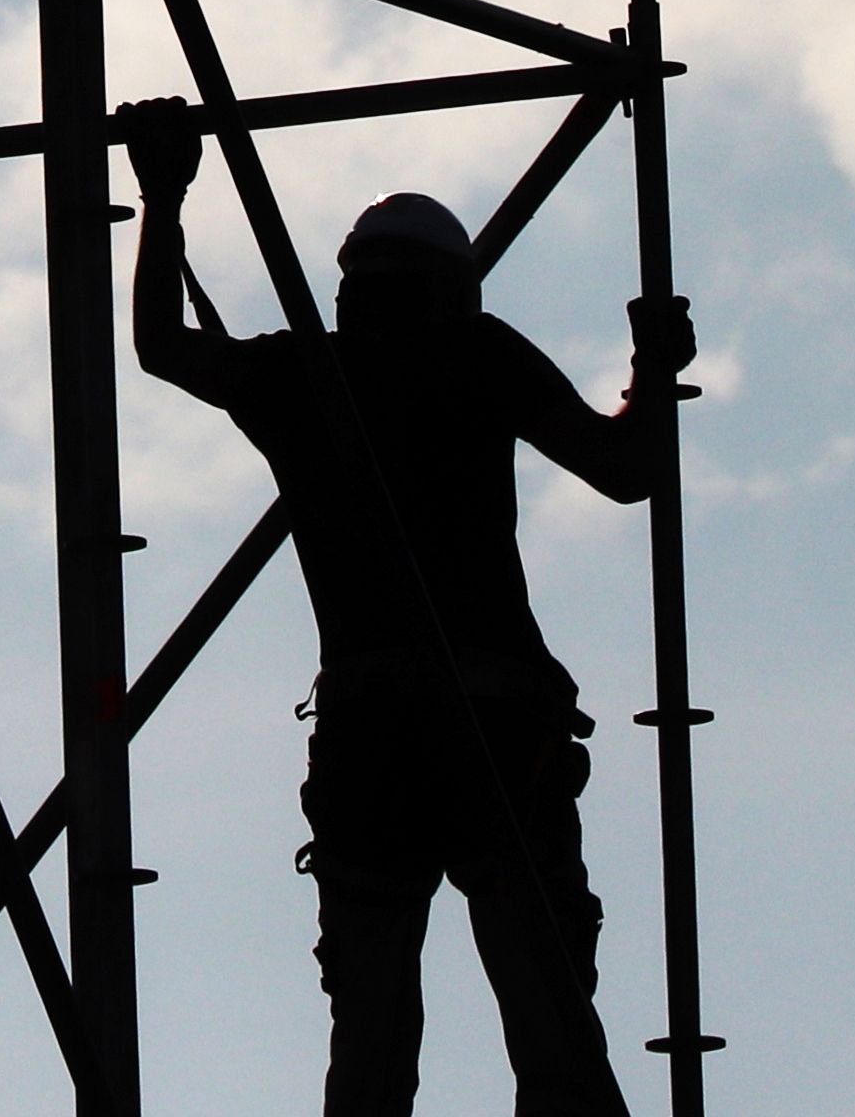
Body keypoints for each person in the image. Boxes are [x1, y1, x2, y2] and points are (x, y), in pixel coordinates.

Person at [125, 111, 694, 1117]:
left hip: (372, 726)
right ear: (451, 286)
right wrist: (653, 367)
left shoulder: (303, 373)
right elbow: (627, 470)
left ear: (351, 287)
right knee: (549, 1014)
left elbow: (163, 346)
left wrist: (164, 195)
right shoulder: (473, 354)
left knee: (374, 1034)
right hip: (493, 720)